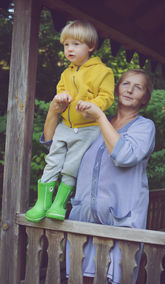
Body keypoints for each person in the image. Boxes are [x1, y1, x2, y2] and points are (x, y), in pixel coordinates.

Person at [39, 68, 156, 283]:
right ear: (117, 88)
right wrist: (53, 111)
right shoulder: (91, 125)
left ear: (145, 98)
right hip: (84, 222)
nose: (130, 90)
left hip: (121, 226)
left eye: (138, 87)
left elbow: (123, 156)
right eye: (125, 84)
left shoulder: (144, 127)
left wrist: (100, 116)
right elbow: (54, 148)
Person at [25, 20, 114, 222]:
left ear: (90, 46)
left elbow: (107, 97)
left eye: (75, 44)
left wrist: (92, 104)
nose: (69, 49)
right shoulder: (66, 72)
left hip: (88, 128)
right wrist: (61, 98)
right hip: (66, 126)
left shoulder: (103, 72)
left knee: (72, 166)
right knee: (52, 161)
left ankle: (59, 204)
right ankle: (42, 203)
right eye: (66, 45)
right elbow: (60, 92)